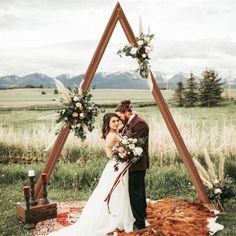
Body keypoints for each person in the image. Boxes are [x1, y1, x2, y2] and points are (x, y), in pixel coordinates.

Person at [49, 113, 135, 236]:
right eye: (113, 122)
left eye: (117, 121)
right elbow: (108, 154)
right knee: (115, 191)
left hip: (118, 165)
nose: (116, 123)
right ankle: (113, 217)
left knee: (120, 191)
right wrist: (120, 154)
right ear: (108, 124)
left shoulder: (114, 133)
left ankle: (119, 215)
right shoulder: (112, 136)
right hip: (116, 166)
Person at [115, 100, 149, 230]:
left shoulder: (140, 124)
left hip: (137, 163)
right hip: (130, 163)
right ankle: (141, 215)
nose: (119, 119)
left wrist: (122, 148)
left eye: (120, 116)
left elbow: (137, 146)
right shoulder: (129, 123)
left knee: (136, 193)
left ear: (127, 113)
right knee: (136, 192)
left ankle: (139, 223)